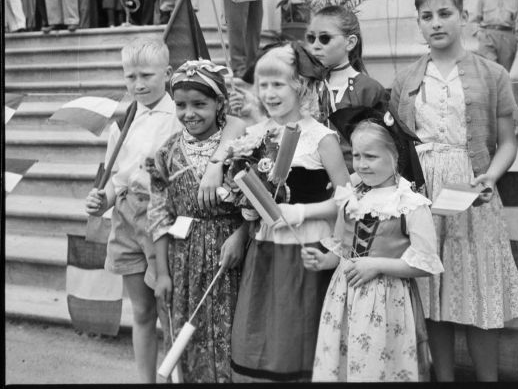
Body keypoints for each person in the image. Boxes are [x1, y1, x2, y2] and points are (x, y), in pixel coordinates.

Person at [84, 39, 246, 383]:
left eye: (146, 75)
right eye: (130, 77)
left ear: (167, 73)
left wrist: (218, 161)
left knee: (167, 305)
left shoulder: (181, 112)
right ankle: (146, 380)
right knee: (141, 310)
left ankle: (178, 374)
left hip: (167, 217)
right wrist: (104, 200)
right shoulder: (122, 122)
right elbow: (116, 178)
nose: (138, 84)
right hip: (127, 216)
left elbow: (232, 125)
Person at [390, 0, 518, 381]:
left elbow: (507, 143)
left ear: (464, 17)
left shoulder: (493, 73)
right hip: (423, 194)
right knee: (431, 287)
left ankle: (487, 379)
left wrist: (490, 176)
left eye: (445, 13)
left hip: (473, 190)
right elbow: (399, 145)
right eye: (427, 16)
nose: (436, 23)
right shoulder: (406, 78)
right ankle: (443, 377)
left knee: (477, 288)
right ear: (418, 24)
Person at [230, 42, 350, 382]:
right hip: (266, 247)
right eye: (263, 85)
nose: (269, 93)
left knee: (296, 335)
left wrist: (299, 212)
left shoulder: (320, 138)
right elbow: (253, 192)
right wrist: (250, 209)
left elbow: (347, 200)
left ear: (300, 85)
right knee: (263, 332)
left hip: (305, 248)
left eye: (278, 84)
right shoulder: (256, 135)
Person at [303, 105, 444, 382]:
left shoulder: (409, 203)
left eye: (371, 156)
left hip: (387, 298)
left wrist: (377, 265)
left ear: (395, 158)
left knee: (381, 365)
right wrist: (324, 261)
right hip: (344, 296)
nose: (361, 164)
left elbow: (425, 263)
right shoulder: (351, 197)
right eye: (356, 156)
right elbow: (343, 251)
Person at [147, 60, 248, 382]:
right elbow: (159, 214)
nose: (189, 113)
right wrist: (162, 273)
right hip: (183, 261)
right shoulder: (166, 153)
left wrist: (242, 236)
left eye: (199, 104)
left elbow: (260, 203)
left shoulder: (241, 149)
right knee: (188, 337)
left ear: (219, 103)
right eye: (181, 105)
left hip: (231, 258)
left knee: (231, 334)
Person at [305, 5, 387, 171]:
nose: (316, 45)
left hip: (357, 179)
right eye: (311, 38)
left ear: (350, 42)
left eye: (325, 38)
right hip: (313, 181)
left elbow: (384, 147)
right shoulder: (307, 87)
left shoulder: (369, 89)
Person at [474, 0, 518, 71]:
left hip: (507, 37)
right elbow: (476, 19)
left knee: (505, 72)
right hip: (487, 36)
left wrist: (516, 38)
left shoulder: (516, 0)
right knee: (489, 69)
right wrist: (478, 33)